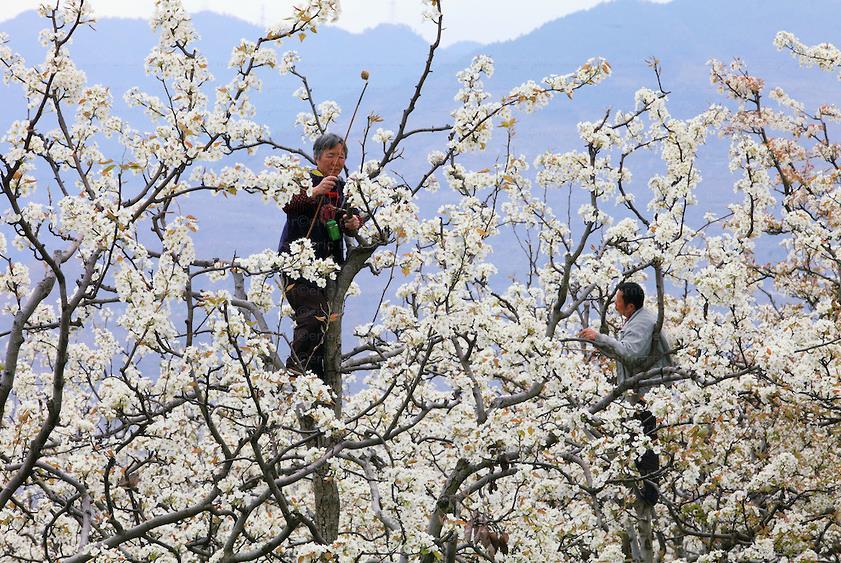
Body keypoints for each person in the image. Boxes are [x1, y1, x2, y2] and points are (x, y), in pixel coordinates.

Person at [579, 281, 673, 507]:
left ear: (629, 306)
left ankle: (649, 492)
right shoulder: (639, 318)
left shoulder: (641, 323)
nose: (614, 303)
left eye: (618, 300)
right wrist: (600, 345)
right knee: (638, 439)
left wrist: (598, 338)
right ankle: (643, 486)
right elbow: (627, 352)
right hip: (642, 392)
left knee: (645, 441)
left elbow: (630, 354)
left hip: (647, 394)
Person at [278, 133, 362, 380]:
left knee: (326, 321)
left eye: (342, 156)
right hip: (298, 265)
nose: (337, 161)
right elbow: (288, 205)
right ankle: (297, 368)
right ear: (317, 157)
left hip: (329, 267)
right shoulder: (303, 179)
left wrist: (353, 222)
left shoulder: (342, 188)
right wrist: (314, 192)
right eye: (331, 155)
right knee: (313, 313)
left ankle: (316, 377)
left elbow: (353, 216)